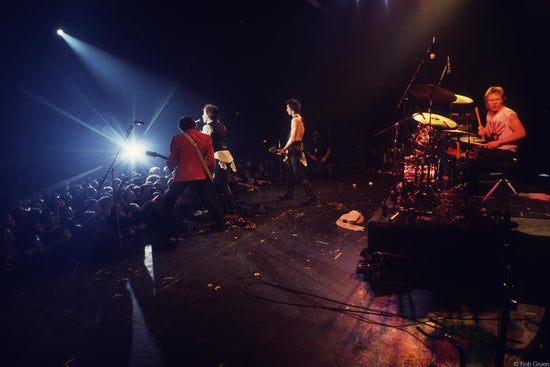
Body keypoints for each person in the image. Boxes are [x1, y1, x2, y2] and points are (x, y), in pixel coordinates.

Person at [163, 117, 224, 243]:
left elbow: (172, 162)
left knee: (168, 203)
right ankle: (220, 224)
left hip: (182, 176)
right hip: (200, 175)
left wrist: (169, 164)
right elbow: (211, 161)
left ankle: (172, 235)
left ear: (181, 128)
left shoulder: (177, 139)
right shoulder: (206, 138)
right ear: (195, 125)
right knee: (208, 201)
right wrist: (206, 170)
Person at [465, 86, 527, 196]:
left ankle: (473, 196)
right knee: (468, 160)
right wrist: (484, 132)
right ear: (487, 102)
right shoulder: (489, 115)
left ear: (503, 100)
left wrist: (498, 142)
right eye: (491, 100)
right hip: (496, 150)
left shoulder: (509, 114)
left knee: (473, 165)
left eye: (497, 99)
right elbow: (488, 137)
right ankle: (473, 192)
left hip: (507, 151)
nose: (494, 102)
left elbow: (522, 133)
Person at [201, 104, 238, 221]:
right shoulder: (222, 126)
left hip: (217, 157)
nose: (202, 116)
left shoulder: (207, 127)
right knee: (222, 185)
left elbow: (204, 145)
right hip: (226, 156)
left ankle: (231, 211)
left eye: (203, 113)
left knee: (220, 186)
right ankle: (225, 209)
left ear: (208, 114)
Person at [278, 99, 317, 205]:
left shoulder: (295, 120)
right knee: (289, 170)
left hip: (294, 148)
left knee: (298, 172)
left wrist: (284, 149)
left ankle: (311, 195)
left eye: (287, 108)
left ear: (291, 108)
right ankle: (289, 192)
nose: (286, 110)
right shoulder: (300, 119)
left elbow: (293, 138)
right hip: (295, 148)